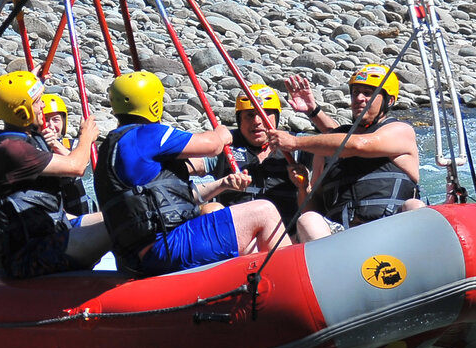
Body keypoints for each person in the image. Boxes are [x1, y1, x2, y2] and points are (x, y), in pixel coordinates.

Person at [93, 71, 290, 277]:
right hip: (166, 249)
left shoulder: (111, 145)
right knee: (264, 211)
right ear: (154, 105)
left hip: (132, 257)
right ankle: (286, 279)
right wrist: (222, 134)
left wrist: (222, 183)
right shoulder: (149, 135)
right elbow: (213, 146)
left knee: (215, 210)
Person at [0, 71, 110, 278]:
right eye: (38, 102)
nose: (43, 106)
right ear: (22, 112)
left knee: (118, 212)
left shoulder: (23, 137)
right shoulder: (10, 149)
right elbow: (76, 167)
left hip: (50, 230)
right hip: (29, 254)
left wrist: (35, 78)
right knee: (124, 223)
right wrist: (86, 138)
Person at [271, 64, 425, 242]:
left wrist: (295, 142)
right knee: (308, 220)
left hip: (391, 230)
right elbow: (313, 207)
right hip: (343, 239)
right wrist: (303, 188)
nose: (359, 98)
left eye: (368, 93)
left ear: (389, 101)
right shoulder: (328, 147)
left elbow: (358, 144)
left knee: (414, 206)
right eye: (355, 92)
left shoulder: (400, 131)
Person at [202, 78, 338, 227]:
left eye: (265, 113)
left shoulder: (295, 144)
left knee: (311, 221)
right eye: (249, 115)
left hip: (284, 236)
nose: (257, 121)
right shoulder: (225, 145)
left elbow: (340, 140)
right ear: (239, 120)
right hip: (238, 234)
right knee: (210, 209)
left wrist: (313, 111)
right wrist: (222, 183)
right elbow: (189, 164)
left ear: (277, 118)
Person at [39, 93, 96, 216]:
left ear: (64, 122)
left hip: (85, 210)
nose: (51, 125)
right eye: (46, 120)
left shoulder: (76, 144)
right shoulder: (35, 148)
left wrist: (55, 144)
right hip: (59, 215)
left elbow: (82, 165)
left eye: (55, 120)